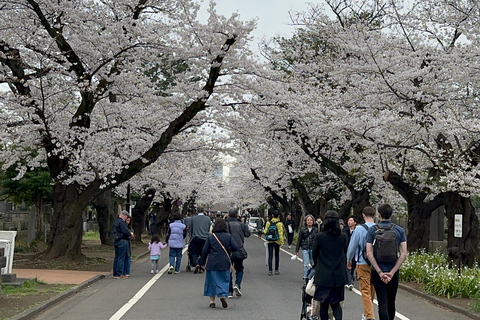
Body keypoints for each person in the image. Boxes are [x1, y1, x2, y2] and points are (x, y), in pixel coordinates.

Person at [366, 204, 407, 320]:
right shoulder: (399, 230)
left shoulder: (372, 230)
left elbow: (369, 253)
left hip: (377, 270)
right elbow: (403, 254)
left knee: (382, 301)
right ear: (391, 215)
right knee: (391, 301)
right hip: (393, 271)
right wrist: (392, 272)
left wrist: (379, 272)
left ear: (379, 215)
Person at [311, 210, 348, 320]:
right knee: (336, 304)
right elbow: (345, 253)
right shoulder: (343, 237)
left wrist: (317, 265)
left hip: (323, 274)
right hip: (338, 275)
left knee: (324, 304)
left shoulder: (319, 237)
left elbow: (314, 254)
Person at [200, 219, 238, 308]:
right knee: (224, 279)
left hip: (212, 262)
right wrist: (228, 250)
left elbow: (205, 251)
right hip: (224, 262)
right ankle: (221, 295)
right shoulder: (228, 236)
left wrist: (202, 262)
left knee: (211, 281)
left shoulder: (211, 237)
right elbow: (235, 247)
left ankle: (212, 302)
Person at [346, 207, 376, 320]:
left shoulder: (359, 229)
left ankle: (369, 316)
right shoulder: (379, 228)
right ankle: (368, 312)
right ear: (375, 216)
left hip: (362, 262)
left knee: (365, 289)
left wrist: (349, 260)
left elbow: (352, 247)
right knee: (372, 288)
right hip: (377, 264)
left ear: (363, 215)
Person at [225, 208, 251, 298]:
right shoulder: (241, 224)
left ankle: (229, 292)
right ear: (237, 215)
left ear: (228, 214)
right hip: (239, 249)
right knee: (239, 269)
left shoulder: (225, 224)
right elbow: (248, 234)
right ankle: (237, 284)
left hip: (227, 250)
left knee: (228, 270)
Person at [188, 207, 212, 274]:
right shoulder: (208, 219)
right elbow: (208, 229)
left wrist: (191, 235)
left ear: (197, 211)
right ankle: (202, 267)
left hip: (195, 237)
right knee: (203, 253)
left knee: (193, 252)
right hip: (205, 238)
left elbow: (191, 229)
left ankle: (196, 264)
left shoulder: (193, 219)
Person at [295, 214, 318, 281]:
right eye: (308, 220)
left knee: (313, 263)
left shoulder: (315, 230)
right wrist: (297, 249)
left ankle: (312, 275)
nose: (309, 221)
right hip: (305, 248)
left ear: (313, 221)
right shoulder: (303, 229)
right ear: (305, 221)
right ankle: (305, 276)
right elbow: (299, 239)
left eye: (311, 220)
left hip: (313, 248)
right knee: (306, 263)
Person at [113, 210, 133, 279]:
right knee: (121, 258)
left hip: (116, 240)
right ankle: (119, 273)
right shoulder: (122, 222)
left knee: (117, 257)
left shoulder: (116, 222)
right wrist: (130, 234)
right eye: (126, 217)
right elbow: (125, 231)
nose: (125, 219)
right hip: (122, 240)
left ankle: (115, 273)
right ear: (123, 215)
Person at [264, 210, 284, 276]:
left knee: (270, 256)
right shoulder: (279, 224)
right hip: (277, 241)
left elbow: (265, 231)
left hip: (270, 241)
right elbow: (280, 234)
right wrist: (282, 242)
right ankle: (276, 270)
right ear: (278, 216)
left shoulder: (268, 223)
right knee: (277, 255)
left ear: (272, 215)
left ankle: (270, 270)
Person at [343, 215, 357, 290]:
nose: (349, 222)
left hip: (355, 251)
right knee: (347, 266)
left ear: (355, 222)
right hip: (347, 251)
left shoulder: (357, 231)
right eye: (348, 221)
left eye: (351, 221)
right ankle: (350, 282)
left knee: (353, 266)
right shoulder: (345, 231)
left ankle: (350, 278)